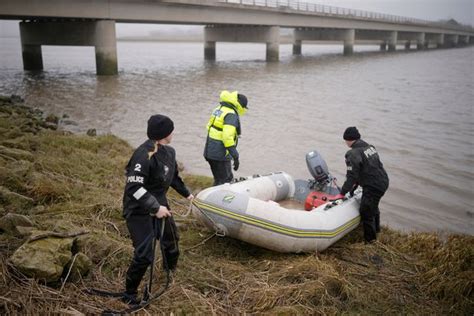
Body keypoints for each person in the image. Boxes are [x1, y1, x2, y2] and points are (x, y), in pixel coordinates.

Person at [122, 114, 194, 304]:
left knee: (171, 240)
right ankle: (129, 294)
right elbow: (133, 188)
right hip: (138, 210)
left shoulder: (170, 152)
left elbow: (174, 178)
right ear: (164, 134)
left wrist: (187, 194)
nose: (173, 133)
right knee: (144, 253)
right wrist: (154, 207)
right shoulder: (142, 155)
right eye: (171, 130)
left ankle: (169, 272)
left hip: (161, 204)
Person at [335, 127, 389, 243]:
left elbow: (351, 176)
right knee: (373, 205)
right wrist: (354, 187)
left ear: (349, 140)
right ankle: (377, 230)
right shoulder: (370, 147)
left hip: (373, 185)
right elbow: (367, 169)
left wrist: (342, 193)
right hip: (383, 181)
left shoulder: (352, 153)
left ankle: (370, 242)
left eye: (345, 140)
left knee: (366, 211)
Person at [203, 90, 248, 186]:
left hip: (209, 151)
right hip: (220, 155)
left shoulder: (219, 108)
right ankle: (219, 200)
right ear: (240, 105)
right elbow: (227, 137)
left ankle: (212, 197)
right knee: (226, 181)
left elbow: (209, 127)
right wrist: (235, 156)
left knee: (218, 179)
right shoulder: (231, 114)